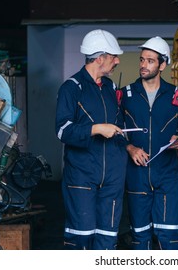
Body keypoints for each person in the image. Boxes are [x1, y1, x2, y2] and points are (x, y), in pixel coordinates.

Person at [55, 29, 128, 250]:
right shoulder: (71, 88)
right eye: (113, 57)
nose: (117, 61)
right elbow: (62, 131)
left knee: (107, 238)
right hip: (82, 175)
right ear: (99, 58)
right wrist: (96, 129)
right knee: (82, 237)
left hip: (113, 177)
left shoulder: (110, 88)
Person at [121, 36, 178, 250]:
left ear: (162, 65)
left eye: (150, 61)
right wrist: (130, 147)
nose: (144, 65)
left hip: (166, 174)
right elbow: (116, 130)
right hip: (136, 174)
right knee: (139, 236)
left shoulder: (176, 95)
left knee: (170, 235)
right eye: (142, 60)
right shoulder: (126, 94)